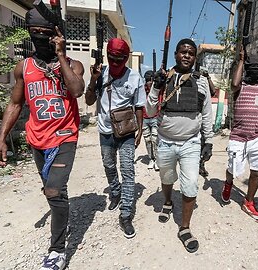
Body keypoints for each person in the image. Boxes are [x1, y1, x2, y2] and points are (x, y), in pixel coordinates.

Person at [0, 8, 85, 270]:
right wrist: (1, 139)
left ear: (57, 35)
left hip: (65, 137)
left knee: (53, 190)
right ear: (30, 34)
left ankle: (57, 250)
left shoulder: (73, 64)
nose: (41, 39)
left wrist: (60, 56)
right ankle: (60, 212)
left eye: (47, 34)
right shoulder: (24, 68)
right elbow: (15, 103)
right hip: (37, 139)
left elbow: (77, 90)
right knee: (52, 191)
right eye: (36, 34)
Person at [146, 38, 213, 253]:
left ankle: (184, 227)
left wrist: (209, 140)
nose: (186, 55)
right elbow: (148, 111)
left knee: (191, 184)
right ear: (175, 54)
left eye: (191, 53)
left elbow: (207, 113)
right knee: (166, 178)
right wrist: (156, 87)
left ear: (195, 57)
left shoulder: (201, 81)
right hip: (165, 140)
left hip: (191, 143)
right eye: (183, 52)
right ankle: (167, 202)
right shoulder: (163, 78)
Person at [85, 38, 145, 239]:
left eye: (120, 59)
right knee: (109, 165)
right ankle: (115, 191)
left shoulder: (135, 77)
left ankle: (126, 214)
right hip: (105, 130)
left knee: (128, 170)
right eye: (112, 58)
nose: (115, 62)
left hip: (126, 131)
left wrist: (140, 130)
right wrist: (94, 79)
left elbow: (139, 106)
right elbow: (89, 100)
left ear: (126, 58)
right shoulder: (100, 74)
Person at [220, 48, 258, 220]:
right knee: (233, 168)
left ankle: (249, 202)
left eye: (256, 67)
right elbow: (234, 84)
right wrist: (240, 61)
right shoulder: (240, 87)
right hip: (238, 136)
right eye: (250, 67)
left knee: (257, 170)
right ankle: (228, 184)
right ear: (246, 68)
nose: (254, 70)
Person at [198, 69, 216, 177]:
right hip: (195, 119)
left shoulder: (204, 82)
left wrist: (208, 78)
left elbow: (213, 92)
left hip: (204, 119)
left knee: (205, 144)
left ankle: (201, 164)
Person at [142, 70, 159, 170]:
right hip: (144, 119)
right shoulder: (142, 90)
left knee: (155, 140)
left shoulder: (156, 89)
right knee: (147, 140)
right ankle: (151, 159)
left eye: (150, 80)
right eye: (147, 80)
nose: (149, 82)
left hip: (155, 117)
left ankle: (156, 159)